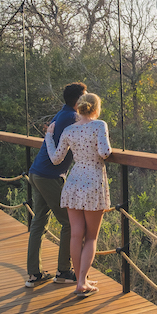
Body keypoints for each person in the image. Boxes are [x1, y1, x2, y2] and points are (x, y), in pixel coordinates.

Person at [45, 92, 112, 296]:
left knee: (76, 235)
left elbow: (56, 159)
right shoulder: (99, 125)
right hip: (93, 182)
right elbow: (105, 152)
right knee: (91, 237)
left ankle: (80, 280)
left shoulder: (68, 130)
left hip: (74, 181)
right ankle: (82, 282)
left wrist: (49, 136)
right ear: (95, 108)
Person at [24, 81, 86, 288]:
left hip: (37, 173)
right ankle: (63, 271)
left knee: (38, 223)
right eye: (85, 96)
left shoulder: (62, 114)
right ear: (78, 100)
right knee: (69, 223)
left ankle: (34, 274)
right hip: (49, 176)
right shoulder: (72, 117)